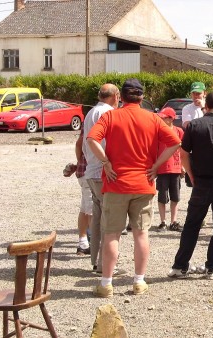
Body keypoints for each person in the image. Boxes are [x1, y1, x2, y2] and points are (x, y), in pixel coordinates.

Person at [88, 79, 181, 297]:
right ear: (141, 96)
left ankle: (106, 284)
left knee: (111, 234)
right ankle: (138, 281)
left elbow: (92, 139)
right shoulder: (153, 118)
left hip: (115, 183)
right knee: (141, 234)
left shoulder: (111, 115)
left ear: (122, 97)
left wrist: (105, 162)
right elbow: (176, 142)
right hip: (143, 183)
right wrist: (157, 166)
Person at [168, 92, 213, 280]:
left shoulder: (194, 126)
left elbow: (183, 153)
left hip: (201, 182)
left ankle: (180, 266)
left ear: (205, 106)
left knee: (192, 225)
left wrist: (191, 174)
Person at [81, 83, 121, 274]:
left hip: (91, 170)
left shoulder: (91, 112)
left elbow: (83, 140)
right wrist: (107, 162)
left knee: (97, 220)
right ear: (115, 96)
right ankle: (105, 264)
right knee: (108, 220)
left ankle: (97, 261)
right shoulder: (107, 113)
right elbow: (104, 141)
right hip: (101, 172)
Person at [155, 107, 185, 232]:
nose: (161, 119)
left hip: (176, 168)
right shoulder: (157, 131)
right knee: (162, 196)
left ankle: (174, 221)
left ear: (171, 118)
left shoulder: (179, 131)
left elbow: (183, 150)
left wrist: (183, 166)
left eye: (164, 117)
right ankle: (163, 222)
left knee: (175, 196)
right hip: (162, 168)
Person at [75, 130, 92, 255]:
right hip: (89, 173)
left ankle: (83, 242)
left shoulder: (88, 120)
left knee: (85, 208)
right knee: (91, 210)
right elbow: (78, 144)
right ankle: (95, 246)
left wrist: (79, 161)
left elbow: (78, 144)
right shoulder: (96, 120)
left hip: (84, 171)